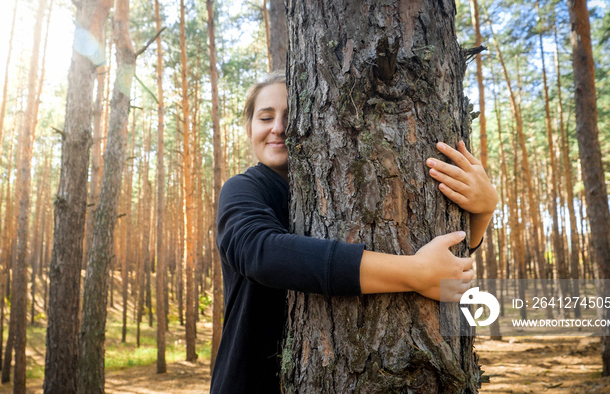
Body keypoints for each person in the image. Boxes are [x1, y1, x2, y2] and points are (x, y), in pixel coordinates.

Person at [210, 71, 498, 393]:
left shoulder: (323, 188)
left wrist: (483, 211)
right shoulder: (243, 189)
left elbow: (444, 265)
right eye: (266, 117)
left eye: (290, 116)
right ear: (249, 128)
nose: (278, 127)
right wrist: (413, 273)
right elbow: (259, 253)